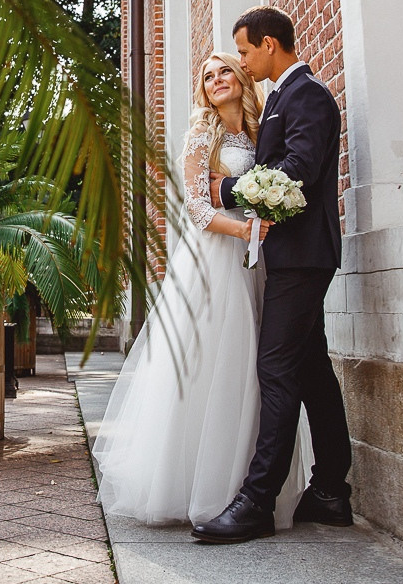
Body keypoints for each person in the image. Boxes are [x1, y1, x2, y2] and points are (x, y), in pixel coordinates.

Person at [92, 51, 312, 528]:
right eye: (208, 77)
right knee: (212, 363)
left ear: (242, 75)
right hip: (214, 261)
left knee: (256, 368)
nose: (216, 80)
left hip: (258, 264)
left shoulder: (262, 132)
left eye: (225, 71)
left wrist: (258, 227)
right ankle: (194, 484)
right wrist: (247, 233)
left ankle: (244, 485)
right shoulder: (201, 136)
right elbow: (195, 208)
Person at [191, 6, 354, 544]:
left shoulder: (306, 95)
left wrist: (226, 191)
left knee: (276, 371)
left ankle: (258, 502)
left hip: (302, 257)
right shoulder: (284, 97)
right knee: (311, 371)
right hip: (290, 256)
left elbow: (296, 174)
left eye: (242, 51)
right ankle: (330, 490)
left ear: (267, 44)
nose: (239, 61)